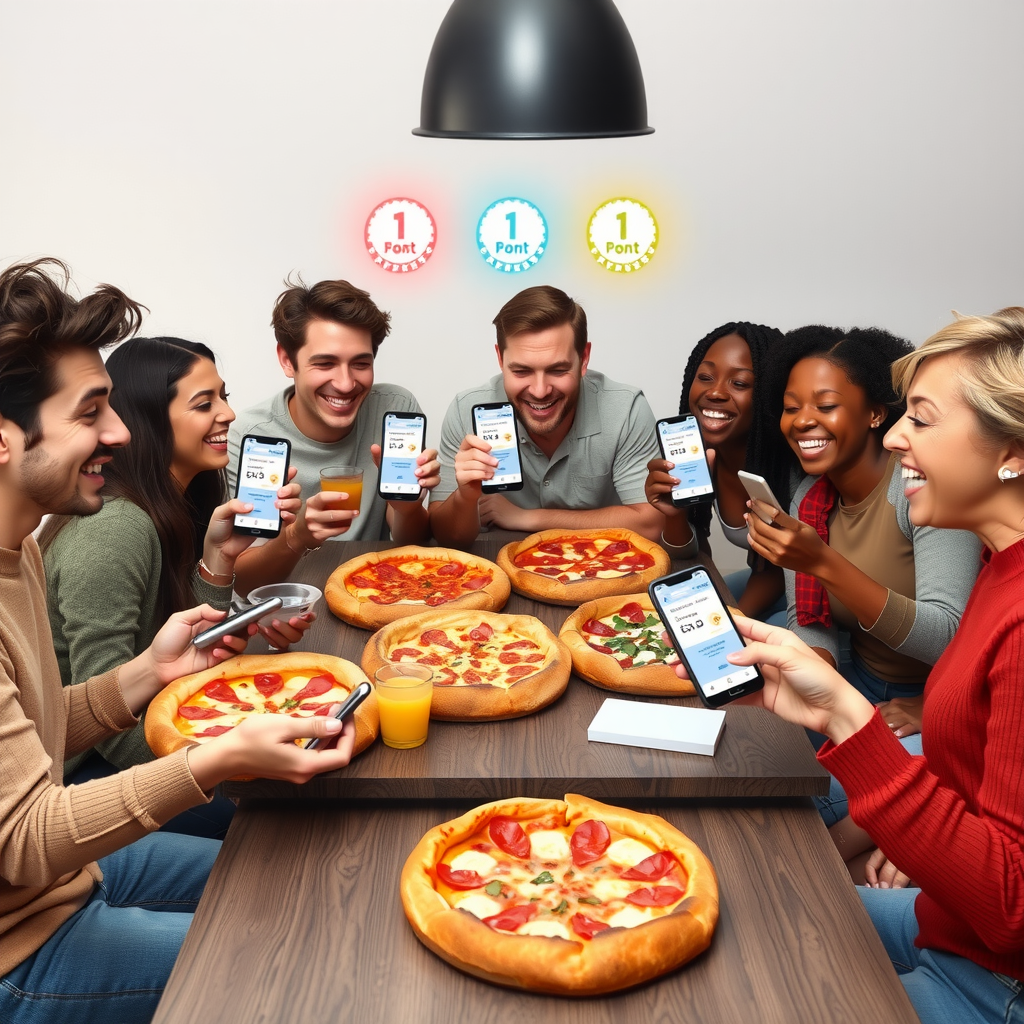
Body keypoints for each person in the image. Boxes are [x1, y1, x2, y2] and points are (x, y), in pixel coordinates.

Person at [0, 258, 356, 1024]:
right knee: (301, 970)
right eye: (91, 411)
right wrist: (212, 761)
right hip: (19, 944)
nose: (120, 431)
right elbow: (27, 835)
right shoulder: (101, 532)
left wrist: (141, 677)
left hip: (70, 879)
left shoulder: (18, 546)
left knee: (310, 883)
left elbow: (37, 732)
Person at [708, 307, 1024, 1024]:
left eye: (921, 417)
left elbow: (1010, 907)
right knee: (736, 907)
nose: (895, 437)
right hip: (947, 927)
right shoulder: (1001, 570)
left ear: (1012, 449)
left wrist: (847, 717)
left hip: (993, 979)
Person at [40, 338, 311, 819]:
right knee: (285, 807)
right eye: (205, 404)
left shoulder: (175, 503)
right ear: (148, 419)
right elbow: (110, 724)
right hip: (77, 777)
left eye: (223, 396)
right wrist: (219, 768)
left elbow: (190, 653)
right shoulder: (114, 528)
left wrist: (219, 558)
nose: (228, 414)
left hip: (149, 738)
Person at [744, 326, 982, 869]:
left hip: (941, 702)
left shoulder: (919, 488)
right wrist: (805, 670)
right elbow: (814, 622)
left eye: (825, 405)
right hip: (862, 683)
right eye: (790, 407)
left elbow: (949, 638)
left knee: (821, 825)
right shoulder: (810, 497)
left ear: (877, 414)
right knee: (763, 766)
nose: (802, 420)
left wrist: (825, 563)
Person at [227, 276, 440, 579]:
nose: (346, 383)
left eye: (360, 363)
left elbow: (412, 547)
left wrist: (406, 509)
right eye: (325, 363)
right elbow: (243, 582)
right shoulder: (252, 435)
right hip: (288, 608)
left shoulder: (394, 409)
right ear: (287, 360)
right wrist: (295, 537)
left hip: (377, 591)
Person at [429, 285, 662, 548]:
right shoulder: (466, 410)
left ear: (584, 358)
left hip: (605, 567)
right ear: (499, 358)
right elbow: (444, 536)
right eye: (521, 371)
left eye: (558, 370)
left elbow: (651, 524)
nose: (540, 391)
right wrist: (465, 497)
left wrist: (528, 518)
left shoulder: (625, 409)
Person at [643, 321, 791, 619]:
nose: (715, 392)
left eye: (739, 383)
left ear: (768, 392)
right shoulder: (705, 457)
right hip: (768, 579)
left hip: (809, 594)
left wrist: (735, 623)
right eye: (706, 377)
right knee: (668, 609)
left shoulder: (785, 465)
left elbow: (779, 570)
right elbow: (688, 554)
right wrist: (675, 515)